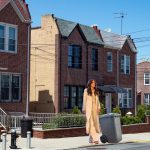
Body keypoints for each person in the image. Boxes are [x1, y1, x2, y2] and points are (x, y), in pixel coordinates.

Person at [82, 79, 101, 144]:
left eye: (94, 83)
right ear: (89, 83)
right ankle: (95, 139)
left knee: (95, 124)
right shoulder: (86, 91)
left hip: (95, 109)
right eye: (92, 83)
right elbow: (84, 100)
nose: (94, 84)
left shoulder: (96, 91)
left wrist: (99, 107)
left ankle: (91, 139)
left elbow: (98, 100)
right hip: (88, 109)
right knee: (91, 123)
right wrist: (84, 108)